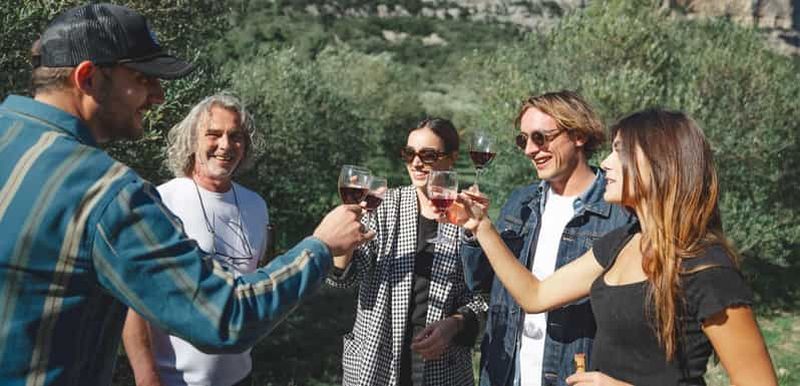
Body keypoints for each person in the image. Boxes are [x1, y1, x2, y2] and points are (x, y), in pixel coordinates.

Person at [0, 4, 372, 386]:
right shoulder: (107, 195)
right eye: (145, 78)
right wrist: (321, 247)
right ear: (89, 78)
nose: (159, 96)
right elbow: (226, 316)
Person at [455, 109, 778, 385]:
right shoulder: (621, 243)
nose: (606, 163)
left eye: (619, 151)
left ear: (660, 163)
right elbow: (535, 296)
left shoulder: (707, 268)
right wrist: (482, 226)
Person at [460, 91, 633, 386]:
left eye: (540, 138)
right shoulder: (520, 203)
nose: (529, 149)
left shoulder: (619, 213)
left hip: (574, 374)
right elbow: (482, 283)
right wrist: (474, 233)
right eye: (523, 140)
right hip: (505, 375)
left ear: (578, 135)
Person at [326, 118, 486, 386]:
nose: (416, 163)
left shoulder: (467, 216)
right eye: (409, 153)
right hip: (375, 360)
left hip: (442, 366)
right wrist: (345, 238)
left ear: (452, 159)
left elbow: (483, 298)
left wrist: (456, 323)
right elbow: (343, 279)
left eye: (428, 155)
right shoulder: (383, 206)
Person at [122, 93, 269, 386]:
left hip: (241, 377)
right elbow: (132, 303)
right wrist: (146, 377)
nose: (225, 145)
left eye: (235, 136)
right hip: (174, 380)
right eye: (213, 134)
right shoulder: (161, 200)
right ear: (192, 140)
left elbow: (256, 285)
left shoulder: (257, 206)